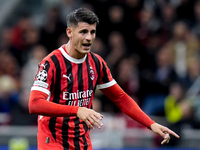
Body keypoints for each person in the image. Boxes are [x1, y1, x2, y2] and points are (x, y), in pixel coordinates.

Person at [28, 8, 180, 150]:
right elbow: (34, 104)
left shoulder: (96, 63)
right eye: (83, 32)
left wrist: (151, 124)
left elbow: (121, 98)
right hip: (53, 140)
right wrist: (77, 110)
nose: (89, 38)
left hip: (81, 140)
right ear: (69, 32)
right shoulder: (51, 63)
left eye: (92, 32)